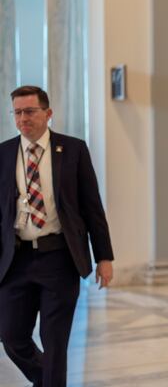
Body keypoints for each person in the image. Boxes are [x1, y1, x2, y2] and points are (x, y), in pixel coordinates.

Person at [0, 86, 114, 387]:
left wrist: (104, 256)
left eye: (30, 111)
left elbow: (92, 208)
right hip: (16, 260)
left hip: (59, 259)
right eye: (18, 112)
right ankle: (48, 381)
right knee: (11, 337)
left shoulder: (73, 150)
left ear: (48, 113)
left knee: (55, 344)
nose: (23, 118)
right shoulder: (3, 153)